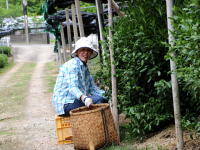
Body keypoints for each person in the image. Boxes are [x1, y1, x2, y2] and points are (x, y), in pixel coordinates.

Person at [52, 37, 107, 116]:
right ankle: (94, 126)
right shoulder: (72, 65)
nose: (86, 53)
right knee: (99, 100)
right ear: (77, 52)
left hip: (75, 101)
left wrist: (109, 95)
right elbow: (72, 87)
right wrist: (84, 98)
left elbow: (93, 89)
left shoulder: (85, 68)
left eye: (88, 50)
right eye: (83, 50)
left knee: (103, 99)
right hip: (65, 103)